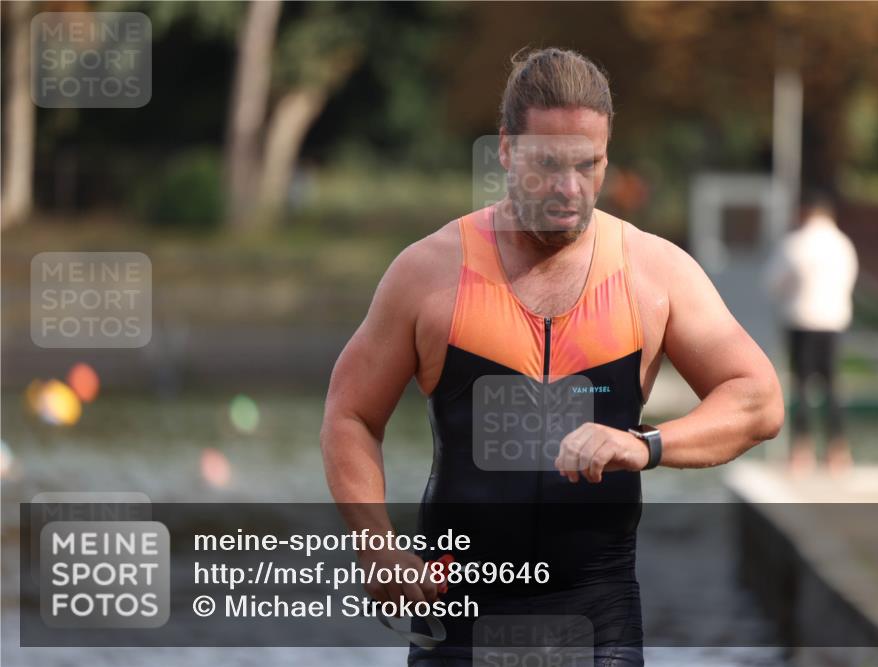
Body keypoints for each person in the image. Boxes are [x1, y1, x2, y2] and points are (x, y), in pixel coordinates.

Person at [320, 47, 784, 666]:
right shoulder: (428, 274)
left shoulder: (654, 272)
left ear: (607, 156)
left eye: (587, 166)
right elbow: (349, 415)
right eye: (547, 165)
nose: (569, 190)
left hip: (598, 619)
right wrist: (377, 550)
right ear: (506, 151)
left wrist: (646, 445)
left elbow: (758, 399)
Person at [766, 191, 858, 475]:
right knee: (831, 387)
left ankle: (801, 453)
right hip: (832, 321)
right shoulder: (843, 244)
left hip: (801, 320)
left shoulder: (796, 243)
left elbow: (773, 282)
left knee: (802, 387)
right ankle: (838, 452)